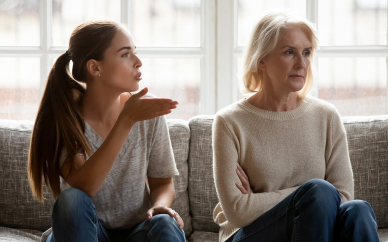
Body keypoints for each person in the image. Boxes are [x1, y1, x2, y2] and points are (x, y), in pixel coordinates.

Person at [212, 10, 379, 242]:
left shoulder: (326, 116)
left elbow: (344, 197)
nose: (302, 63)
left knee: (357, 210)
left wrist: (265, 199)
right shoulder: (230, 122)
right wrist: (307, 195)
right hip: (250, 235)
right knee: (320, 192)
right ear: (262, 59)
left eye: (307, 53)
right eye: (289, 52)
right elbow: (238, 211)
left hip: (316, 230)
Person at [28, 20, 186, 242]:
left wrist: (160, 206)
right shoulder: (65, 118)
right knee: (71, 200)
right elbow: (85, 186)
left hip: (137, 232)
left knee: (165, 224)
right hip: (87, 233)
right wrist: (126, 120)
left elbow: (163, 183)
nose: (138, 62)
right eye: (125, 54)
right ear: (95, 67)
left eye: (135, 53)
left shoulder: (147, 111)